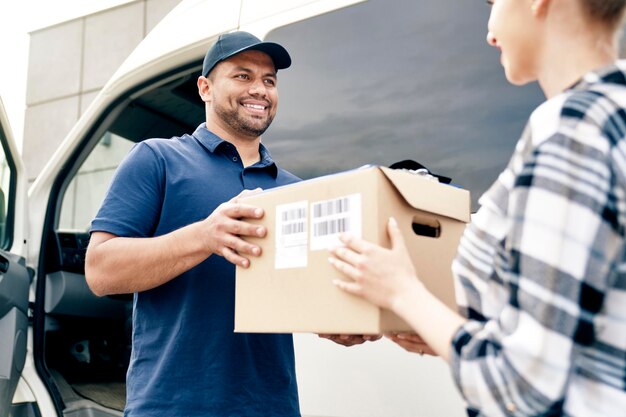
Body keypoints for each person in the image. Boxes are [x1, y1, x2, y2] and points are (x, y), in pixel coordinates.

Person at [328, 0, 626, 415]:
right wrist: (454, 335)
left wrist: (401, 291)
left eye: (494, 2)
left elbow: (521, 385)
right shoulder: (612, 113)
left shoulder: (571, 130)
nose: (489, 30)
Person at [85, 31, 301, 417]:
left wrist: (341, 326)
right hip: (171, 406)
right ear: (205, 88)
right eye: (242, 76)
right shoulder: (157, 159)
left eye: (269, 80)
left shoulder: (294, 189)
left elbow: (306, 297)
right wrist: (205, 235)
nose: (260, 89)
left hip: (272, 407)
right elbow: (100, 270)